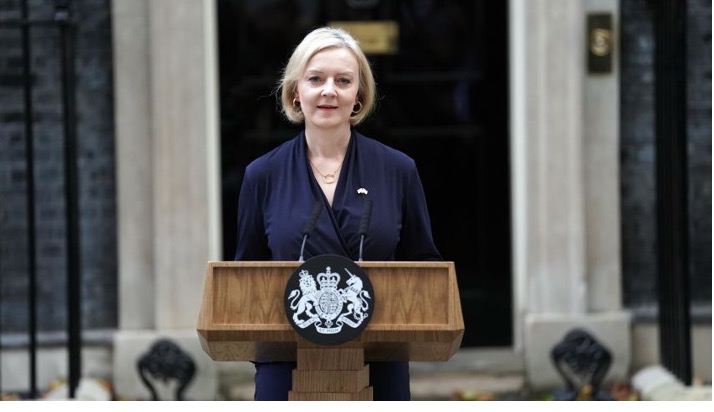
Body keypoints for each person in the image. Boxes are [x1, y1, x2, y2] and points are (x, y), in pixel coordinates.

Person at [233, 26, 442, 401]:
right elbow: (247, 280)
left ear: (359, 95)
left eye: (343, 80)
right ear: (296, 91)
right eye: (316, 79)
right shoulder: (262, 175)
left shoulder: (398, 170)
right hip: (287, 363)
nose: (329, 90)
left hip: (379, 360)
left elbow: (424, 267)